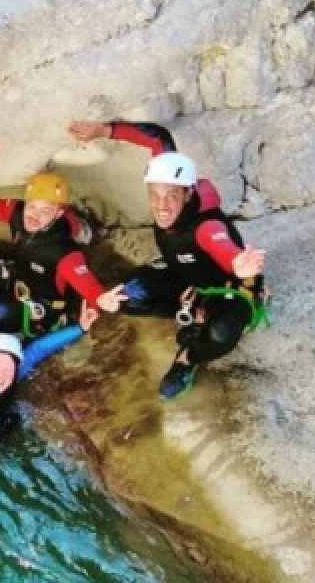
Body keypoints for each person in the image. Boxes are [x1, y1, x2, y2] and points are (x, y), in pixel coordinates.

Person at [67, 120, 269, 399]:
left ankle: (187, 357)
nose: (162, 206)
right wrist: (103, 131)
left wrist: (237, 263)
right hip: (185, 276)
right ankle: (189, 313)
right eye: (155, 195)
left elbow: (218, 242)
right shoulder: (170, 177)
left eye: (172, 196)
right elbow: (159, 138)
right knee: (122, 297)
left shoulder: (204, 226)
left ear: (188, 193)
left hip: (228, 287)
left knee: (221, 334)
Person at [0, 171, 125, 337]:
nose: (34, 215)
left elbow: (86, 284)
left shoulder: (64, 252)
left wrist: (100, 299)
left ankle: (20, 333)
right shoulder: (18, 213)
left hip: (41, 303)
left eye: (45, 211)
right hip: (19, 274)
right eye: (31, 206)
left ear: (58, 214)